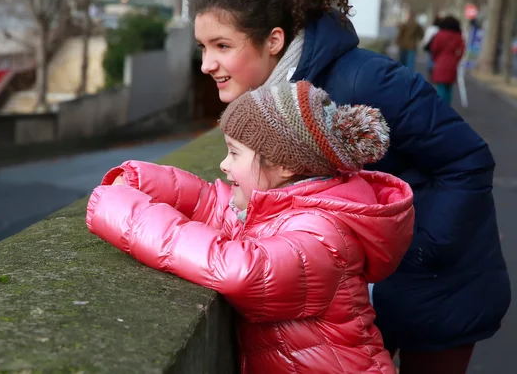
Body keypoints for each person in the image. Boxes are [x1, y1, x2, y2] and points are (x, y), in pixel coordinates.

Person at [193, 0, 511, 374]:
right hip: (369, 296)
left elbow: (469, 161)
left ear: (273, 41)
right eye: (203, 47)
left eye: (222, 45)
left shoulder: (364, 81)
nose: (206, 64)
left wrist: (410, 253)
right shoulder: (271, 102)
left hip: (439, 288)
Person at [86, 81, 415, 374]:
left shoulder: (322, 236)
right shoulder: (289, 206)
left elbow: (242, 270)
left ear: (285, 164)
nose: (224, 165)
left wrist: (120, 210)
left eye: (234, 153)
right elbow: (210, 202)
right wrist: (136, 181)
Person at [430, 15, 465, 105]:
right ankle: (447, 106)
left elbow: (434, 48)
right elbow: (462, 49)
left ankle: (440, 108)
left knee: (441, 87)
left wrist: (435, 58)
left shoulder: (439, 34)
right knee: (449, 87)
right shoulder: (458, 36)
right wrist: (457, 59)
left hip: (440, 61)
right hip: (452, 63)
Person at [421, 15, 443, 80]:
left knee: (430, 59)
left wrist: (424, 44)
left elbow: (426, 37)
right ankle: (434, 72)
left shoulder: (430, 28)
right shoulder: (441, 29)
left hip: (430, 47)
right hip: (438, 47)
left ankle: (430, 72)